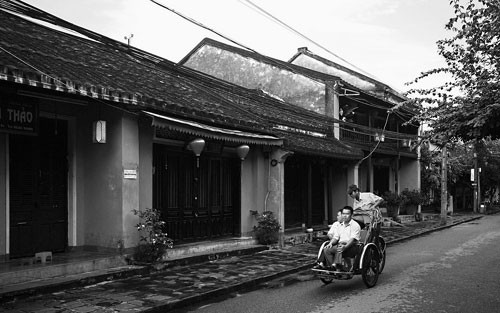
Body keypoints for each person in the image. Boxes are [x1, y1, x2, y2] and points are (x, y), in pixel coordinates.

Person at [314, 206, 360, 271]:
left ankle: (336, 265)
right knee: (326, 249)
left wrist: (345, 246)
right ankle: (332, 266)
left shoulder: (355, 225)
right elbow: (336, 237)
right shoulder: (340, 225)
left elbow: (352, 239)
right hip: (341, 245)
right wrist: (330, 243)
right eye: (343, 214)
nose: (345, 216)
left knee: (340, 246)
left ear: (351, 215)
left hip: (352, 247)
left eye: (347, 214)